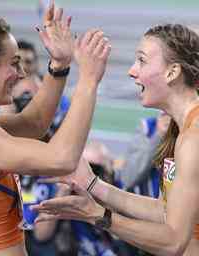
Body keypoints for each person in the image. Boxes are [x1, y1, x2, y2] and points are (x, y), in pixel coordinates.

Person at [0, 1, 112, 255]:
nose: (21, 73)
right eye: (13, 63)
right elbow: (62, 159)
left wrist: (60, 65)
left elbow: (34, 124)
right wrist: (88, 80)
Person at [33, 24, 199, 256]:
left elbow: (173, 241)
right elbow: (165, 211)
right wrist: (93, 184)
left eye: (141, 61)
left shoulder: (193, 139)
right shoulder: (181, 130)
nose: (132, 70)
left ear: (172, 72)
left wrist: (96, 215)